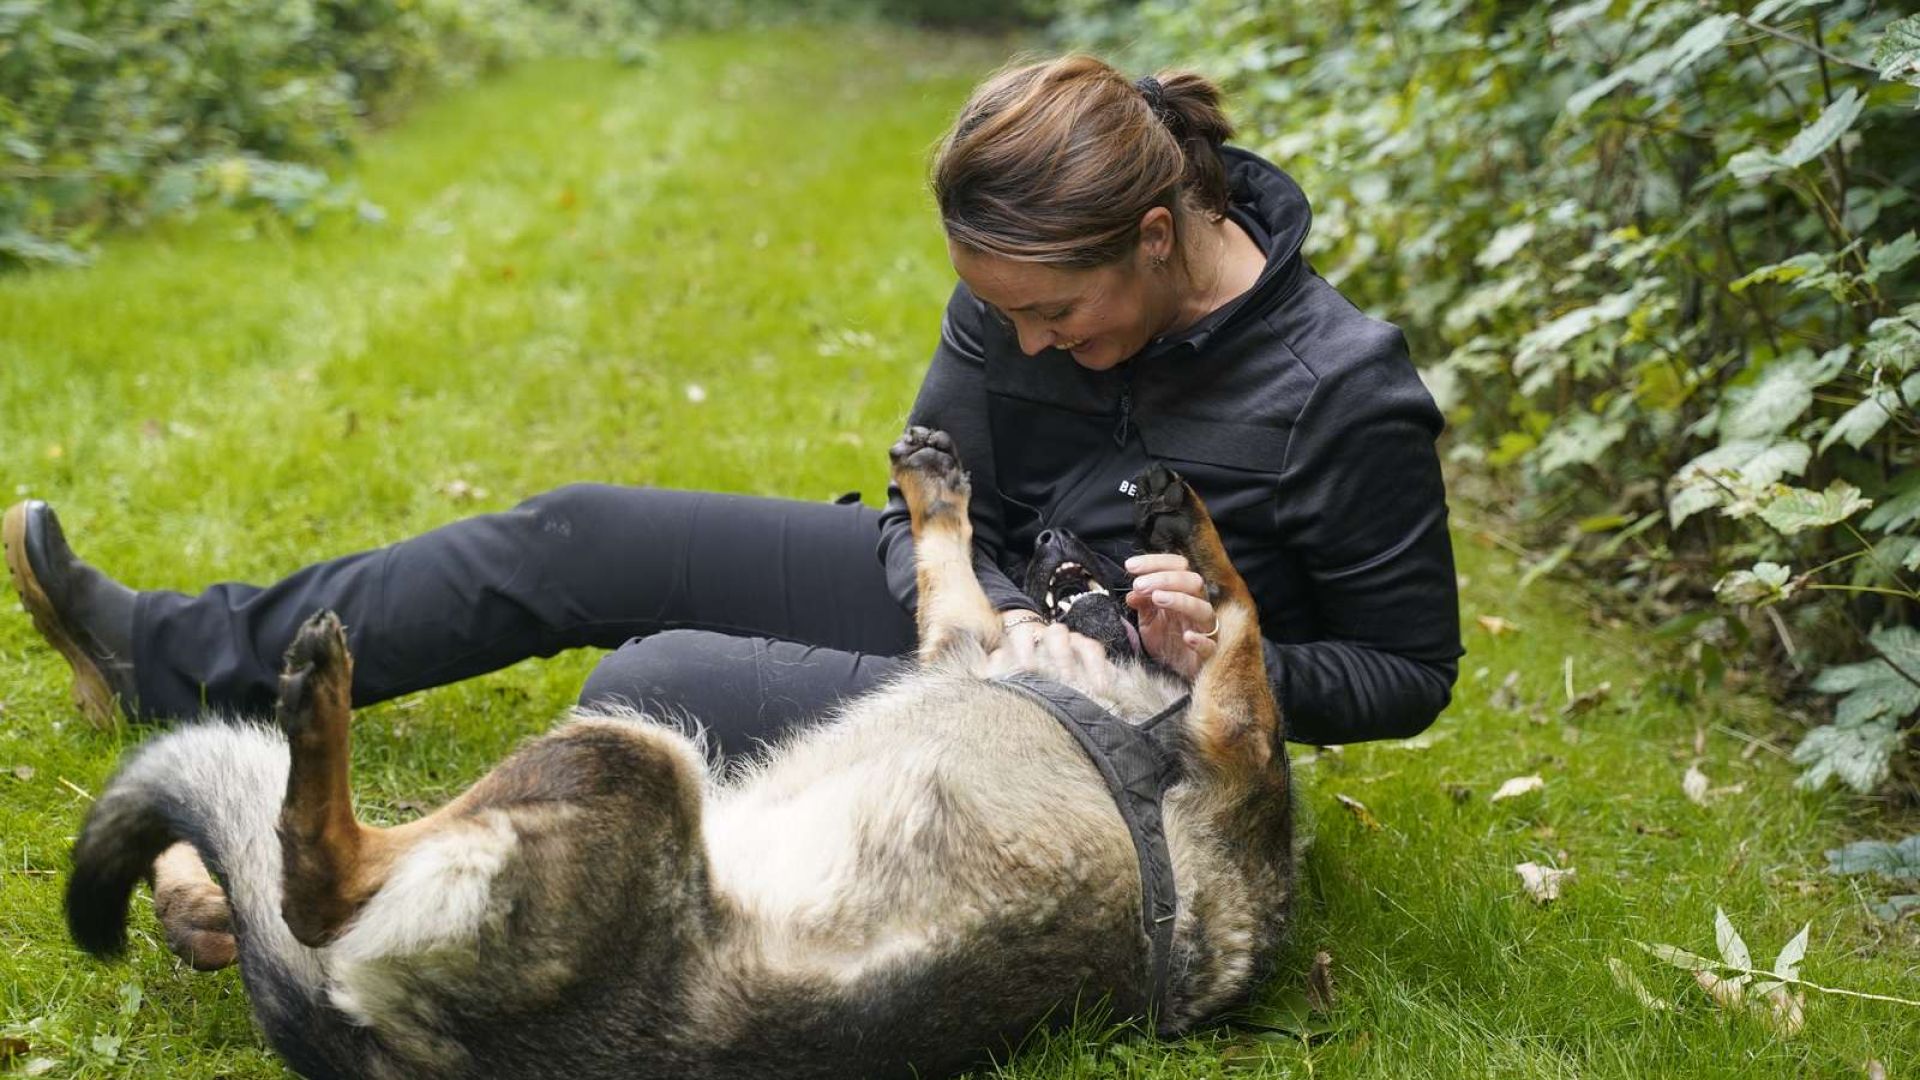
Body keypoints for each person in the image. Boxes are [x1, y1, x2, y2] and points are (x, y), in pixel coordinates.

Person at [4, 55, 1461, 765]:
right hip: (961, 592)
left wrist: (1234, 659)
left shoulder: (1341, 394)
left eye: (1050, 317)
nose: (1021, 338)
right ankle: (171, 661)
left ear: (1157, 234)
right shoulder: (1027, 274)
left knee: (659, 684)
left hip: (1116, 719)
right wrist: (946, 563)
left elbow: (1410, 673)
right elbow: (933, 468)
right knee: (580, 535)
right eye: (998, 310)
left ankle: (359, 886)